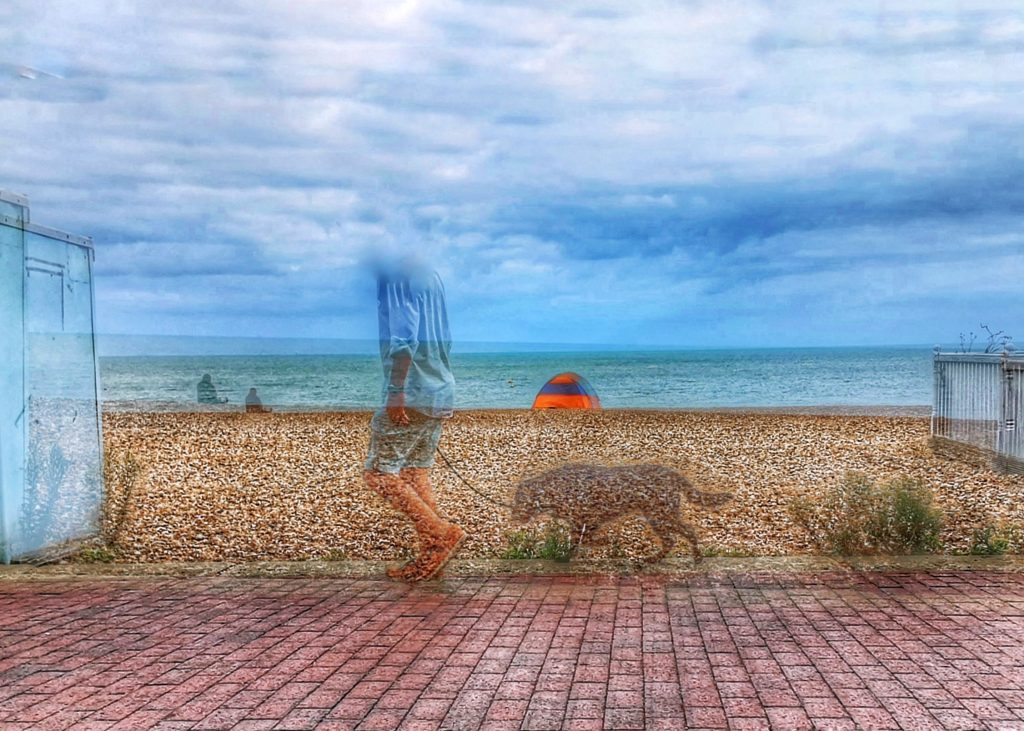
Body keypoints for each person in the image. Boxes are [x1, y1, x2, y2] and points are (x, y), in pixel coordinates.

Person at [363, 257, 464, 582]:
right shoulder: (429, 273)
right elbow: (444, 338)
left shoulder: (398, 275)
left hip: (415, 390)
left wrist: (396, 391)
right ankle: (433, 552)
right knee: (414, 473)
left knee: (379, 475)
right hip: (438, 387)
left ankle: (440, 535)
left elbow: (404, 340)